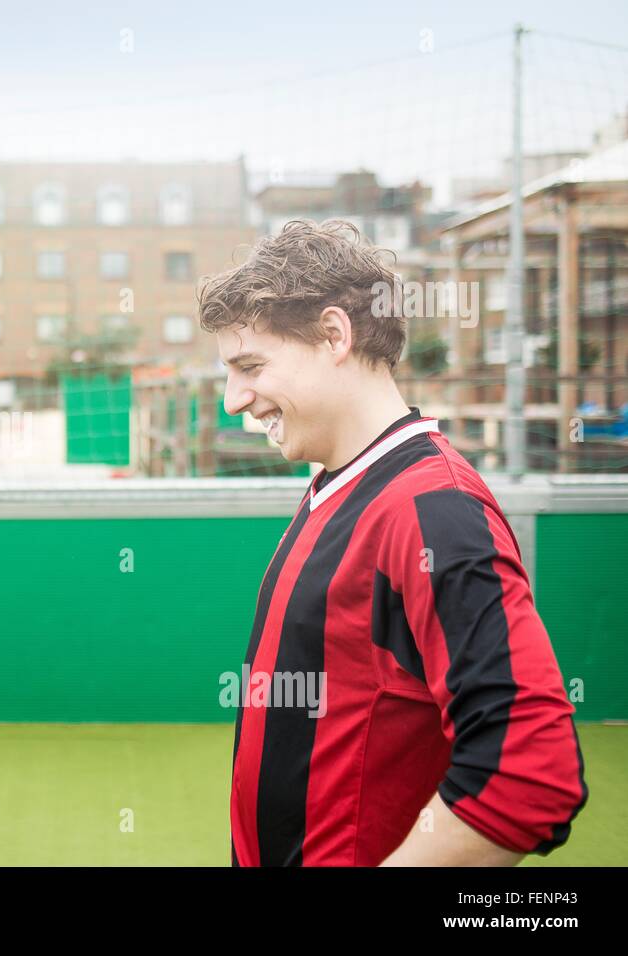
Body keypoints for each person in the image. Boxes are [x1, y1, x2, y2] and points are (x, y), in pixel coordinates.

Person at [199, 219, 588, 866]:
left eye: (251, 367)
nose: (235, 399)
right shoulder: (339, 479)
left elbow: (532, 772)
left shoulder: (435, 510)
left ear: (334, 335)